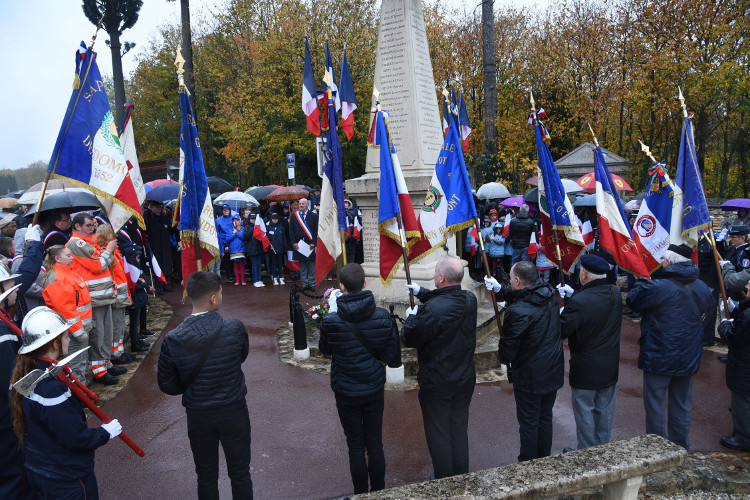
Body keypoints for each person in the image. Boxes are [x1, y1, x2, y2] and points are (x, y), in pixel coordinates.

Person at [10, 306, 122, 499]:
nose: (69, 339)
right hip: (67, 479)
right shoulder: (51, 387)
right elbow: (74, 436)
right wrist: (104, 433)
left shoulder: (29, 373)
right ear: (54, 344)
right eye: (65, 336)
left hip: (42, 471)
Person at [157, 272, 252, 499]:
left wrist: (191, 385)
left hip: (199, 414)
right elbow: (241, 356)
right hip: (233, 410)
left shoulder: (173, 339)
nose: (221, 296)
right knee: (240, 473)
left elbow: (167, 385)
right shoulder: (234, 328)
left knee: (206, 476)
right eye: (220, 292)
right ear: (212, 298)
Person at [319, 263, 400, 494]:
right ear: (365, 284)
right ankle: (379, 492)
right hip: (373, 386)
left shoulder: (331, 321)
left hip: (346, 389)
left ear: (341, 287)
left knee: (355, 446)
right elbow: (393, 358)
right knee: (374, 444)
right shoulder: (383, 317)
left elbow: (325, 350)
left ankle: (360, 495)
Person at [627, 243, 714, 450]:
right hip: (689, 355)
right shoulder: (702, 287)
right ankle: (680, 446)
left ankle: (658, 450)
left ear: (668, 262)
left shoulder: (660, 287)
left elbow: (633, 301)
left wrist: (640, 281)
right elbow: (707, 317)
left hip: (659, 354)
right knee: (682, 404)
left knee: (655, 404)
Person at [401, 256, 477, 479]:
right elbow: (447, 297)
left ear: (441, 277)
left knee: (439, 433)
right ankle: (461, 474)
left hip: (438, 381)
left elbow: (408, 338)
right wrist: (422, 292)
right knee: (458, 429)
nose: (434, 276)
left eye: (435, 273)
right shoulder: (470, 299)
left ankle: (444, 479)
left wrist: (410, 320)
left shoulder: (432, 310)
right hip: (464, 378)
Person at [485, 261, 564, 462]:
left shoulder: (517, 311)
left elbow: (507, 352)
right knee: (545, 418)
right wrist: (501, 290)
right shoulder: (548, 294)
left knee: (529, 422)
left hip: (530, 375)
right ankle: (543, 459)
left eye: (510, 278)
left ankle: (528, 464)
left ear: (518, 280)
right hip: (552, 369)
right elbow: (527, 294)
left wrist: (504, 353)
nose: (509, 281)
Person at [558, 254, 622, 450]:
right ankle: (602, 449)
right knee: (604, 411)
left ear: (584, 273)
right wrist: (574, 295)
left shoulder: (579, 301)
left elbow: (562, 330)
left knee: (584, 412)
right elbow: (595, 302)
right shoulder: (615, 292)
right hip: (609, 365)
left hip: (586, 367)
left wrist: (563, 310)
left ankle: (586, 452)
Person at [67, 213, 119, 386]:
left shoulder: (90, 241)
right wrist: (109, 251)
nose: (93, 228)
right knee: (98, 335)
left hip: (102, 296)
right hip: (93, 298)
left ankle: (105, 363)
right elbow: (97, 266)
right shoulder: (76, 243)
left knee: (106, 333)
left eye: (94, 225)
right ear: (77, 227)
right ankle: (99, 371)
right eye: (89, 225)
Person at [41, 245, 93, 381]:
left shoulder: (67, 273)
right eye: (68, 255)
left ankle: (80, 394)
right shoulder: (58, 278)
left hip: (77, 329)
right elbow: (65, 309)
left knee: (80, 364)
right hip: (73, 332)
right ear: (57, 259)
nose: (72, 257)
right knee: (75, 366)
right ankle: (79, 397)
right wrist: (79, 332)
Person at [0, 264, 24, 499]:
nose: (15, 290)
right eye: (9, 284)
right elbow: (12, 380)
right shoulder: (2, 331)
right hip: (5, 420)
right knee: (13, 477)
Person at [718, 279, 750, 452]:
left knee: (742, 401)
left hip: (744, 363)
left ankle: (744, 437)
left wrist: (724, 326)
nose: (746, 287)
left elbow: (734, 337)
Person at [95, 224, 131, 374]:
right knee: (115, 326)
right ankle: (114, 354)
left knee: (119, 325)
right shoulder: (105, 253)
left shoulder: (114, 253)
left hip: (120, 295)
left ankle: (118, 352)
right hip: (115, 296)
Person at [144, 201, 174, 293]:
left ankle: (167, 285)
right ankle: (159, 286)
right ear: (152, 208)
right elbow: (145, 228)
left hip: (165, 245)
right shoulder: (149, 217)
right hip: (155, 246)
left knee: (167, 265)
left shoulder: (165, 217)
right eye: (157, 208)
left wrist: (173, 224)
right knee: (158, 266)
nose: (159, 210)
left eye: (160, 208)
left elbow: (171, 231)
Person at [289, 198, 318, 291]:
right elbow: (291, 230)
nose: (301, 205)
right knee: (302, 265)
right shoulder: (294, 216)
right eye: (300, 204)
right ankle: (305, 284)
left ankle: (312, 283)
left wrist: (314, 243)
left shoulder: (314, 216)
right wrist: (294, 242)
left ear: (307, 205)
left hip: (310, 245)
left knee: (312, 265)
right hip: (299, 245)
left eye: (303, 204)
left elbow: (316, 230)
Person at [226, 214, 247, 286]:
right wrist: (233, 234)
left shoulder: (243, 229)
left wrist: (236, 232)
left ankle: (243, 280)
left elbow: (243, 237)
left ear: (239, 221)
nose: (236, 222)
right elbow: (227, 239)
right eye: (234, 220)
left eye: (237, 220)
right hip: (233, 250)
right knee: (235, 265)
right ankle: (237, 280)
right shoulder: (230, 229)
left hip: (241, 249)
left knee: (241, 264)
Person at [266, 212, 286, 285]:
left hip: (280, 248)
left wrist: (284, 247)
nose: (275, 220)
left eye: (276, 219)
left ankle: (280, 277)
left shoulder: (281, 226)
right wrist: (269, 246)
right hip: (272, 249)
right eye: (273, 219)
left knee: (280, 264)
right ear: (271, 219)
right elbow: (267, 238)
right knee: (274, 264)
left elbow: (284, 238)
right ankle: (274, 278)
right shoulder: (269, 227)